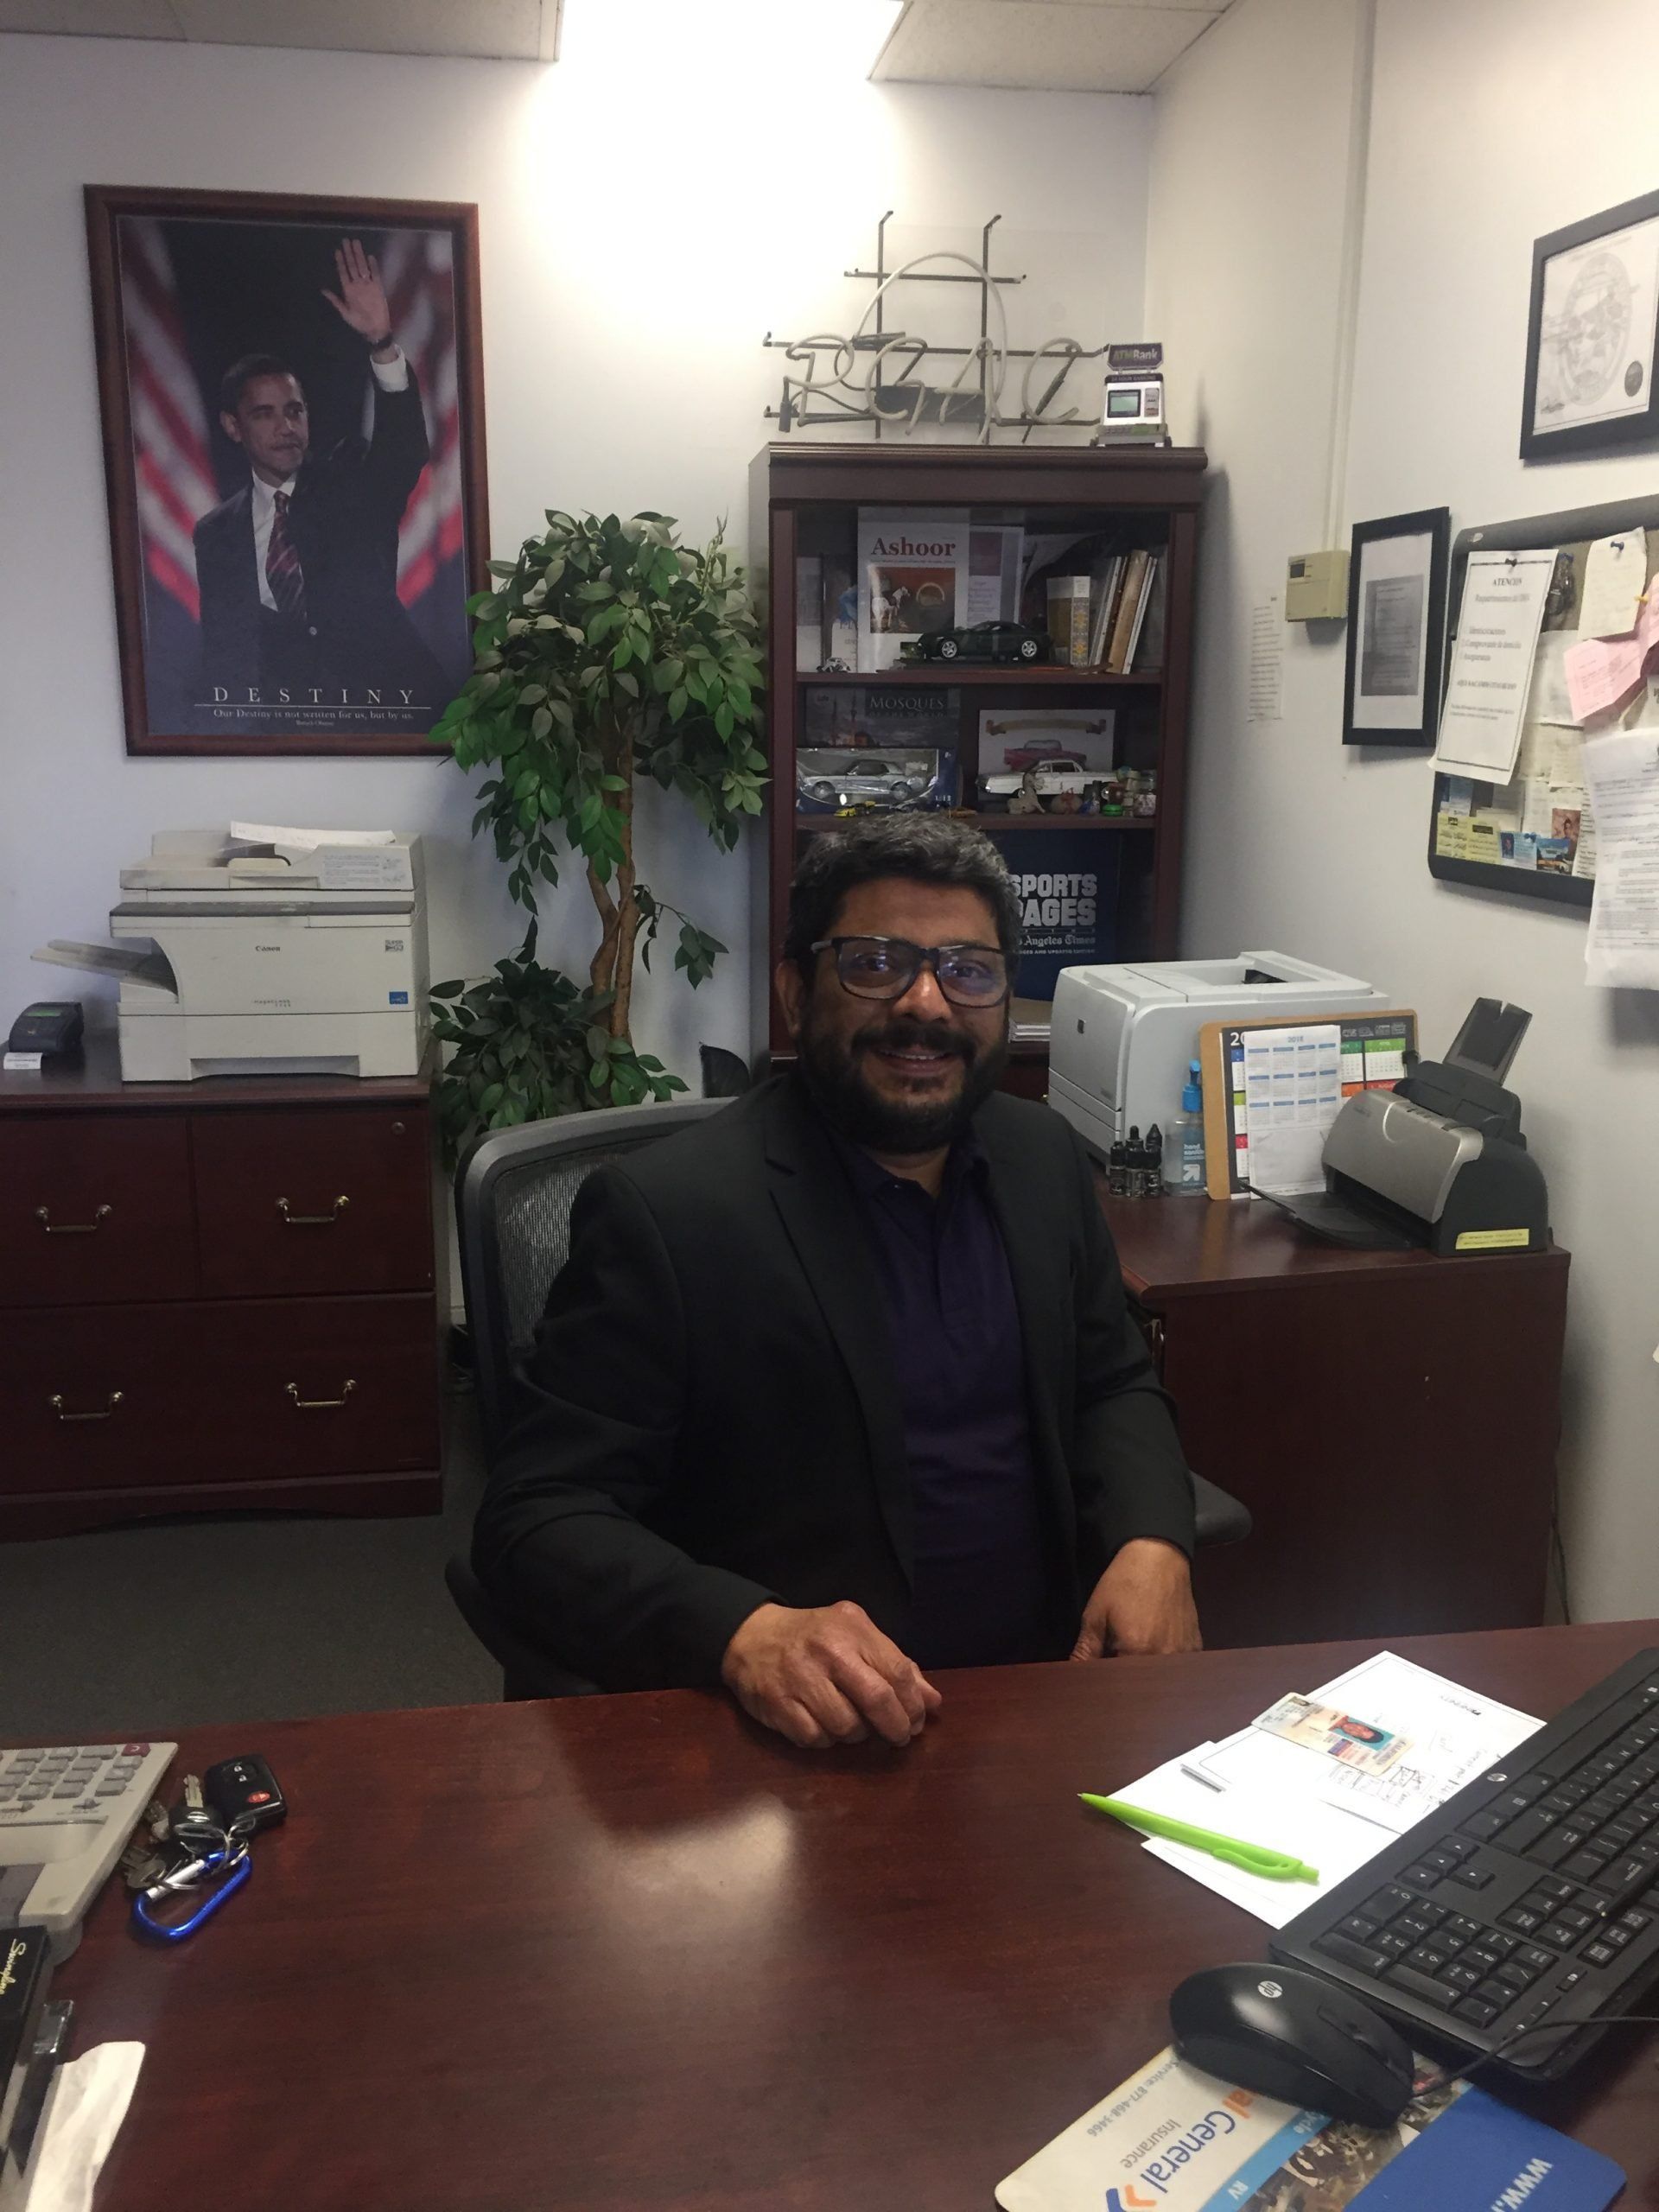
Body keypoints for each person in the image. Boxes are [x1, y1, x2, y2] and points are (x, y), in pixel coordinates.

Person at [474, 816, 1201, 1751]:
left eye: (968, 971)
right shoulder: (671, 1214)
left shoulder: (1045, 1161)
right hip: (811, 1744)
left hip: (1050, 1702)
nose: (927, 1004)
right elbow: (535, 1518)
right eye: (875, 962)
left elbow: (1111, 1382)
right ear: (794, 991)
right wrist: (743, 1631)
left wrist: (1153, 1539)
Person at [192, 238, 449, 710]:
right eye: (265, 414)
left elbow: (403, 450)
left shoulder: (352, 481)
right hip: (290, 728)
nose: (286, 426)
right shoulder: (216, 533)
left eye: (294, 410)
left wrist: (381, 342)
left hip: (392, 717)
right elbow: (226, 652)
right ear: (233, 426)